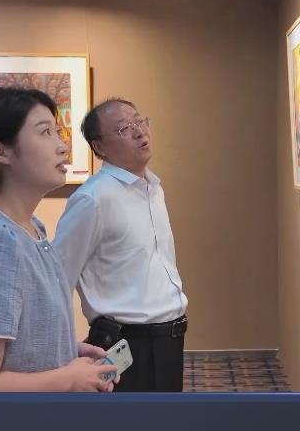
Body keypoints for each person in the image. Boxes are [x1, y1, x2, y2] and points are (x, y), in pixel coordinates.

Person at [0, 87, 118, 392]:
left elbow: (13, 346)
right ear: (0, 151)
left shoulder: (32, 229)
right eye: (45, 132)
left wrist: (64, 350)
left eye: (57, 132)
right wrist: (68, 379)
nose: (62, 146)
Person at [54, 98, 188, 392]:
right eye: (124, 128)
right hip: (124, 344)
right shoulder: (92, 199)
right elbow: (58, 278)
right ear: (99, 147)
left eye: (140, 121)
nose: (139, 131)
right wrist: (60, 350)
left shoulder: (153, 189)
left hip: (170, 339)